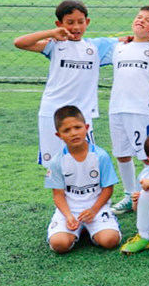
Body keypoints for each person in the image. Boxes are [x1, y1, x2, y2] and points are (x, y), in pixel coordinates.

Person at [14, 0, 115, 170]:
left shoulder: (96, 46)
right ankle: (58, 197)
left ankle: (89, 197)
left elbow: (129, 41)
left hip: (81, 114)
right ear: (59, 24)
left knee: (88, 163)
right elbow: (20, 42)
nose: (76, 27)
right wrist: (52, 33)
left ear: (87, 22)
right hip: (51, 113)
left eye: (80, 22)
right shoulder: (54, 45)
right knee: (55, 166)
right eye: (70, 23)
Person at [107, 6, 149, 205]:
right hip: (116, 108)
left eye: (147, 20)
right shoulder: (118, 47)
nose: (141, 21)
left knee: (147, 156)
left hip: (140, 110)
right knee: (121, 154)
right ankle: (130, 195)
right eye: (139, 17)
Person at [45, 105, 121, 253]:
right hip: (69, 210)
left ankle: (90, 228)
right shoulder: (56, 162)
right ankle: (79, 229)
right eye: (66, 130)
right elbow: (58, 195)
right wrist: (68, 215)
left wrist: (93, 210)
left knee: (110, 240)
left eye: (77, 127)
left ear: (86, 127)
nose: (73, 133)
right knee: (59, 245)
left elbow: (108, 188)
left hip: (96, 208)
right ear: (58, 135)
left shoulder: (101, 156)